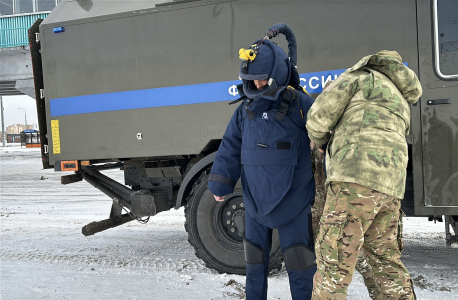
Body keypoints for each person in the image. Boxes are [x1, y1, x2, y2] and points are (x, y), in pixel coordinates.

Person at [208, 34, 317, 299]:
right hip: (255, 199)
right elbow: (231, 147)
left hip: (293, 199)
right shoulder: (245, 110)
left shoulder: (300, 104)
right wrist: (220, 182)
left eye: (261, 79)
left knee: (299, 262)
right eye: (251, 80)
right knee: (254, 262)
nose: (256, 85)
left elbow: (324, 132)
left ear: (277, 75)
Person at [306, 50, 422, 299]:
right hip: (390, 189)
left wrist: (321, 142)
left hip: (355, 182)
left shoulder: (359, 78)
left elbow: (319, 117)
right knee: (386, 262)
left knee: (333, 263)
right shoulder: (400, 97)